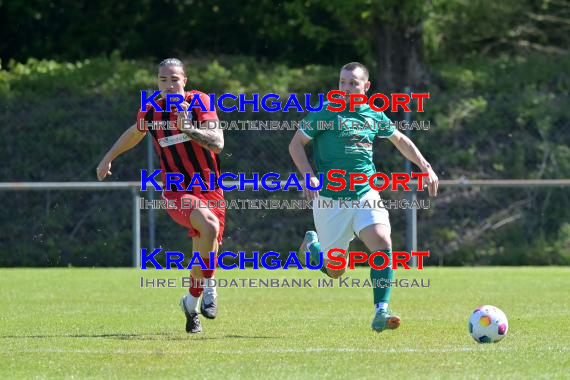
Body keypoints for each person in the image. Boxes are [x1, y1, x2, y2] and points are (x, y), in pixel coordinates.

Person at [288, 62, 439, 333]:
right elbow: (296, 143)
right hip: (330, 201)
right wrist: (308, 174)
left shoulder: (373, 115)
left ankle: (382, 310)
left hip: (365, 195)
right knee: (335, 270)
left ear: (366, 87)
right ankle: (311, 248)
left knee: (382, 243)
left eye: (353, 83)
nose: (346, 88)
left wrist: (425, 167)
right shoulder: (325, 113)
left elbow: (400, 140)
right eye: (343, 82)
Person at [96, 58, 225, 333]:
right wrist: (108, 157)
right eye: (163, 79)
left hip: (211, 189)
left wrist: (188, 128)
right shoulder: (152, 109)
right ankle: (211, 287)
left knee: (205, 248)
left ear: (185, 81)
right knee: (209, 225)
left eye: (174, 79)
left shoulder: (199, 102)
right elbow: (136, 131)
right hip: (176, 190)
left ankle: (191, 304)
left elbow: (218, 143)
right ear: (157, 81)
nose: (168, 84)